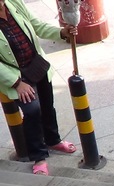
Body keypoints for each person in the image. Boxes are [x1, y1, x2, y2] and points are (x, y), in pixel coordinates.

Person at [0, 0, 78, 176]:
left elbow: (37, 25)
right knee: (33, 111)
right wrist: (16, 83)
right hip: (15, 76)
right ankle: (38, 156)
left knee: (47, 105)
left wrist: (62, 33)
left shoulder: (13, 3)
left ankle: (53, 140)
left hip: (36, 65)